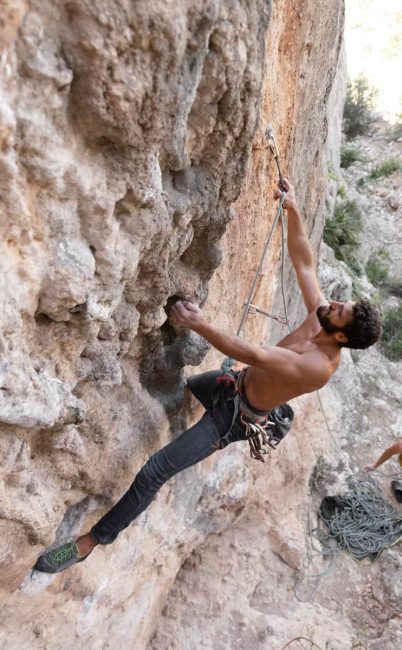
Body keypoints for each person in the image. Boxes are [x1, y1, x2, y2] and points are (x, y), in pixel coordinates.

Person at [35, 178, 382, 573]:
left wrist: (200, 325)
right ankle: (185, 423)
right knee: (186, 389)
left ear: (341, 336)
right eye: (340, 302)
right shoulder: (321, 318)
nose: (332, 302)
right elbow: (304, 261)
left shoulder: (318, 367)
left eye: (339, 310)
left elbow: (252, 353)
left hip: (231, 419)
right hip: (231, 386)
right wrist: (294, 208)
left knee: (155, 471)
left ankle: (89, 542)